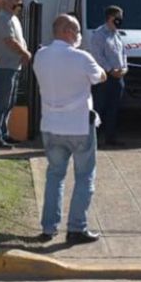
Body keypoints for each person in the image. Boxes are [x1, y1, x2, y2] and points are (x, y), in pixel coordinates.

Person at [33, 14, 106, 244]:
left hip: (51, 125)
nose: (78, 36)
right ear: (67, 32)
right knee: (85, 176)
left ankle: (49, 227)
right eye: (75, 31)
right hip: (78, 125)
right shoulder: (81, 57)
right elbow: (100, 77)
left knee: (55, 175)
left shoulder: (40, 55)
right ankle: (76, 227)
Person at [0, 0, 31, 149]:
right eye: (15, 0)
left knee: (9, 102)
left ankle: (3, 132)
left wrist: (23, 54)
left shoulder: (13, 18)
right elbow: (9, 40)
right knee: (2, 102)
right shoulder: (3, 18)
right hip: (4, 66)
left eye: (19, 0)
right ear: (6, 1)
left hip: (13, 66)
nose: (18, 3)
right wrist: (25, 52)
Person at [89, 5, 127, 146]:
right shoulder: (99, 34)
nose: (121, 20)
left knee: (114, 108)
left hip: (118, 78)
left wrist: (124, 68)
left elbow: (123, 54)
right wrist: (111, 70)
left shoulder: (117, 35)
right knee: (99, 107)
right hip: (104, 77)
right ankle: (94, 139)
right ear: (111, 18)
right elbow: (98, 56)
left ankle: (111, 138)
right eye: (118, 17)